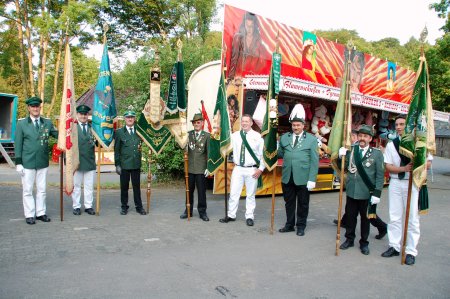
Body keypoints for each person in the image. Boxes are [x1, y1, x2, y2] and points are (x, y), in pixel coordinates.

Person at [381, 115, 432, 265]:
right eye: (396, 124)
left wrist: (416, 163)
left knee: (413, 218)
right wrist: (403, 168)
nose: (398, 127)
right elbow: (388, 166)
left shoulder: (418, 143)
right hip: (396, 182)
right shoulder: (392, 144)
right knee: (394, 216)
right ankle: (394, 246)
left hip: (412, 182)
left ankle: (410, 251)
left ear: (408, 126)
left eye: (402, 124)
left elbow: (428, 164)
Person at [338, 124, 385, 255]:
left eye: (365, 136)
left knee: (366, 220)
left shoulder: (377, 154)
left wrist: (377, 193)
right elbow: (342, 167)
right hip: (352, 191)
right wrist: (340, 156)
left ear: (370, 138)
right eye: (360, 136)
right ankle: (349, 239)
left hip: (367, 193)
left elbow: (380, 176)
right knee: (351, 218)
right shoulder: (351, 150)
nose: (362, 138)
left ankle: (364, 243)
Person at [14, 96, 58, 225]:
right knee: (27, 190)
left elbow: (57, 135)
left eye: (37, 106)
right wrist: (18, 162)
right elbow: (18, 143)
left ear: (40, 107)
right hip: (27, 162)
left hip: (42, 161)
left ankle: (40, 213)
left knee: (42, 189)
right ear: (29, 108)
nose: (35, 108)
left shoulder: (47, 122)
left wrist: (67, 128)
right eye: (33, 106)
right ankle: (29, 214)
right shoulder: (22, 123)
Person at [278, 104, 319, 236]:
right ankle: (289, 224)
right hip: (287, 176)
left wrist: (312, 179)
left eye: (298, 125)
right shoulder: (284, 137)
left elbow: (314, 161)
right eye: (294, 125)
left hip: (303, 178)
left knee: (303, 204)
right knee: (289, 203)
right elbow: (280, 154)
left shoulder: (312, 140)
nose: (296, 127)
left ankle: (301, 226)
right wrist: (271, 144)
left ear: (303, 125)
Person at [219, 114, 264, 226]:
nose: (244, 123)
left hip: (252, 169)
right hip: (238, 168)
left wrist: (261, 169)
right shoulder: (235, 136)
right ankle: (231, 215)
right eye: (242, 121)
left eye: (246, 121)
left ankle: (249, 216)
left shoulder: (257, 136)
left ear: (251, 123)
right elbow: (226, 145)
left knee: (250, 194)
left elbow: (262, 155)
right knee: (234, 192)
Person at [114, 108, 146, 216]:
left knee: (137, 187)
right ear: (124, 119)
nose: (130, 119)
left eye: (132, 117)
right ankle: (124, 207)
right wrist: (117, 164)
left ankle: (139, 207)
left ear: (134, 119)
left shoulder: (139, 131)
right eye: (128, 117)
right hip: (124, 165)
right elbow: (117, 150)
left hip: (136, 164)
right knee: (124, 188)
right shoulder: (119, 132)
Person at [180, 113, 210, 221]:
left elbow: (209, 153)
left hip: (201, 169)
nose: (197, 124)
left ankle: (202, 212)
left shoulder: (207, 136)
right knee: (189, 190)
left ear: (202, 123)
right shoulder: (188, 135)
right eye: (195, 123)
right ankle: (188, 210)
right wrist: (179, 137)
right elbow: (181, 146)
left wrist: (209, 167)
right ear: (192, 124)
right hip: (189, 169)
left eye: (199, 122)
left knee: (201, 192)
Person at [71, 105, 96, 216]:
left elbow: (97, 142)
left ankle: (88, 206)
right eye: (81, 114)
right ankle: (76, 206)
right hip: (77, 161)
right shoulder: (72, 128)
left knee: (89, 186)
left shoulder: (93, 128)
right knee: (76, 186)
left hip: (90, 161)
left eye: (85, 114)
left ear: (88, 115)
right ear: (77, 115)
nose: (83, 116)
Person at [228, 12, 267, 80]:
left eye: (251, 26)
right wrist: (230, 78)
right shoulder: (238, 38)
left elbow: (263, 64)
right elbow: (234, 59)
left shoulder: (259, 44)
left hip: (253, 81)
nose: (249, 28)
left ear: (255, 26)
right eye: (247, 25)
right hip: (238, 79)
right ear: (244, 25)